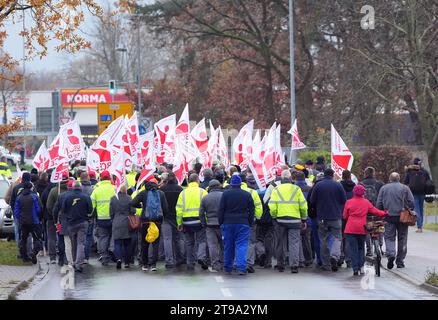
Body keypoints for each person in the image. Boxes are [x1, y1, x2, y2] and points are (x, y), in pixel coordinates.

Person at [269, 170, 308, 273]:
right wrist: (304, 219)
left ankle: (280, 264)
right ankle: (294, 266)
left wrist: (274, 216)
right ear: (291, 179)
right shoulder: (297, 189)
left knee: (280, 242)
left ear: (281, 180)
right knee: (294, 242)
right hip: (295, 219)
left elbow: (272, 206)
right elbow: (303, 206)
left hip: (280, 219)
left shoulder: (276, 189)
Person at [343, 185, 387, 276]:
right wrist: (385, 213)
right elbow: (375, 211)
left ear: (354, 192)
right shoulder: (366, 202)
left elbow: (344, 216)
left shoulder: (348, 202)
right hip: (361, 228)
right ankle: (361, 267)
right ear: (363, 193)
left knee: (353, 249)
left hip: (350, 228)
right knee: (361, 247)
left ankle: (355, 269)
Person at [309, 168, 347, 271]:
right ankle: (334, 256)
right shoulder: (338, 185)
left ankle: (326, 264)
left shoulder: (318, 185)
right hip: (335, 216)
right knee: (337, 237)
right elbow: (344, 200)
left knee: (323, 240)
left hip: (322, 217)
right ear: (332, 174)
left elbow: (312, 201)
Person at [377, 172, 414, 269]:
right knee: (402, 238)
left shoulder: (384, 188)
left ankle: (391, 254)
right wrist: (409, 209)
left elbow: (379, 203)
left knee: (389, 237)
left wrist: (380, 213)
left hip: (388, 217)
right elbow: (411, 202)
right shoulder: (405, 188)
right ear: (399, 178)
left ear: (390, 179)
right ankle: (400, 261)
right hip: (403, 217)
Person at [218, 174, 254, 275]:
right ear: (240, 184)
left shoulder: (225, 194)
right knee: (241, 245)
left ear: (231, 184)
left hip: (228, 223)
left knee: (228, 246)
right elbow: (251, 210)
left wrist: (221, 222)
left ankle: (228, 267)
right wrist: (250, 222)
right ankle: (241, 268)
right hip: (243, 223)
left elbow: (221, 210)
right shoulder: (247, 194)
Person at [131, 176, 168, 271]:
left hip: (145, 221)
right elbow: (165, 209)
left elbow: (132, 203)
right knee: (155, 243)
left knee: (144, 243)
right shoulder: (161, 194)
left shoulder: (143, 193)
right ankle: (153, 265)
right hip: (157, 221)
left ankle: (145, 264)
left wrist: (141, 206)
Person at [176, 173, 208, 271]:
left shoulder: (183, 193)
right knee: (202, 240)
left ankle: (190, 262)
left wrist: (179, 223)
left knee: (189, 243)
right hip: (199, 221)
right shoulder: (203, 192)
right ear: (197, 180)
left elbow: (179, 209)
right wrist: (206, 220)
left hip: (186, 222)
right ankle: (201, 257)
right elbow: (206, 208)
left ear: (189, 181)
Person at [62, 181, 92, 272]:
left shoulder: (67, 197)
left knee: (73, 243)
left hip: (71, 223)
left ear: (73, 187)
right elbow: (90, 209)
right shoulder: (86, 197)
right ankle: (78, 263)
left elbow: (63, 210)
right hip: (83, 222)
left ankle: (75, 261)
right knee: (80, 243)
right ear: (81, 187)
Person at [160, 172, 185, 269]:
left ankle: (169, 260)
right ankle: (180, 258)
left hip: (166, 217)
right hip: (177, 217)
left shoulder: (162, 189)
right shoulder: (180, 189)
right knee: (178, 239)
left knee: (167, 239)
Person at [14, 181, 43, 264]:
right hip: (34, 222)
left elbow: (16, 212)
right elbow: (39, 209)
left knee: (23, 239)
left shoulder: (19, 197)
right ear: (31, 188)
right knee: (38, 238)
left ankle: (24, 257)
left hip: (23, 222)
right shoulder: (34, 197)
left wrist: (20, 219)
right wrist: (38, 218)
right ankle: (34, 253)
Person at [90, 171, 115, 266]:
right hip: (113, 217)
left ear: (100, 178)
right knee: (113, 236)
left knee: (103, 238)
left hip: (101, 218)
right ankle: (112, 252)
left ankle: (104, 256)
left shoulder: (96, 190)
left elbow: (91, 206)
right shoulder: (114, 188)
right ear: (109, 178)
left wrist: (90, 215)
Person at [240, 173, 263, 273]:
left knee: (239, 242)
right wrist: (257, 218)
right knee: (251, 242)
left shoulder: (232, 190)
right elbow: (258, 206)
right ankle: (249, 262)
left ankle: (239, 262)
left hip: (237, 221)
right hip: (250, 221)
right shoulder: (253, 192)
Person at [199, 179, 224, 272]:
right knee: (223, 245)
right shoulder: (223, 196)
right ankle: (223, 262)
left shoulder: (205, 198)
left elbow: (201, 213)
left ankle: (215, 264)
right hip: (222, 224)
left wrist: (204, 223)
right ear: (218, 186)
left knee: (212, 245)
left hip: (210, 225)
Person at [110, 185, 136, 269]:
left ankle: (118, 259)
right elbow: (133, 211)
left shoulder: (114, 198)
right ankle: (127, 262)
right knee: (127, 243)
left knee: (117, 242)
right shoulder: (129, 198)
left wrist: (113, 219)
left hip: (116, 222)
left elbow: (111, 212)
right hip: (127, 223)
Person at [360, 167, 384, 256]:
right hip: (377, 210)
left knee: (366, 230)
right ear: (374, 173)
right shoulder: (380, 184)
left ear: (365, 173)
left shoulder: (360, 184)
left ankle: (369, 249)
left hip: (365, 211)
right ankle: (379, 247)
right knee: (379, 228)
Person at [46, 172, 70, 264]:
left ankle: (54, 257)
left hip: (55, 219)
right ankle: (67, 258)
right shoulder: (70, 192)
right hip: (68, 219)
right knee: (67, 239)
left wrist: (54, 215)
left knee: (55, 238)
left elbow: (49, 205)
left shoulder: (54, 190)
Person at [404, 158, 432, 233]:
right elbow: (429, 182)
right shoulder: (424, 171)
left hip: (413, 193)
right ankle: (420, 225)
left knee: (417, 209)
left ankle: (419, 227)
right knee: (420, 208)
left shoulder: (409, 172)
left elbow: (405, 183)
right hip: (422, 193)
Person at [52, 179, 75, 266]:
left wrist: (55, 221)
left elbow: (55, 210)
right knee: (76, 242)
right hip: (76, 221)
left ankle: (65, 260)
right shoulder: (80, 195)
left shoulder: (61, 196)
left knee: (64, 241)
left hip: (64, 221)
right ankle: (75, 259)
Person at [294, 171, 313, 267]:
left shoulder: (293, 189)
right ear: (304, 178)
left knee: (295, 240)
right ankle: (308, 259)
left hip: (295, 217)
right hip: (308, 217)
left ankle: (298, 259)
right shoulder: (310, 189)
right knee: (306, 239)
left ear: (295, 179)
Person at [339, 170, 356, 268]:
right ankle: (349, 259)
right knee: (349, 237)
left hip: (340, 214)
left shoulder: (338, 186)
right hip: (351, 215)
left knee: (339, 236)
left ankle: (340, 257)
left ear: (342, 176)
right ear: (350, 176)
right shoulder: (355, 187)